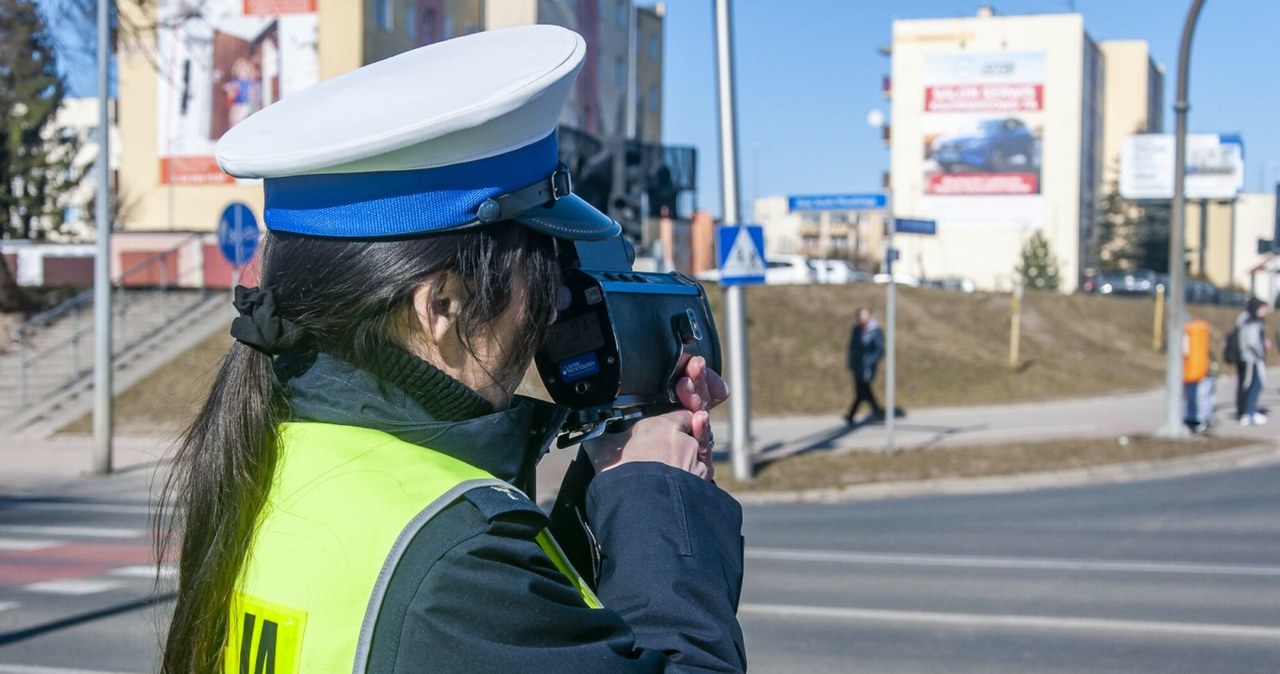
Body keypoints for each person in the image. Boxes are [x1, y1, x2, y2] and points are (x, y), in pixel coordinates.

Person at [159, 26, 746, 673]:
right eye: (541, 274)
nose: (552, 307)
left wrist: (607, 482)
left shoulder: (277, 457)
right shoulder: (453, 562)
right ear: (443, 306)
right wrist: (659, 500)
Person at [844, 307, 885, 424]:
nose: (863, 318)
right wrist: (850, 363)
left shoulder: (875, 331)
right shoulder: (856, 330)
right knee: (862, 391)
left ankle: (852, 415)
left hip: (868, 366)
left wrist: (870, 361)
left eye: (865, 315)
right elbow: (852, 348)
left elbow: (880, 349)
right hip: (857, 366)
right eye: (861, 316)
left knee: (863, 389)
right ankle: (877, 412)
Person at [1235, 296, 1269, 425]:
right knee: (1251, 386)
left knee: (1246, 385)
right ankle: (1247, 413)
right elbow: (1252, 341)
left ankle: (1247, 412)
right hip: (1251, 358)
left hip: (1245, 357)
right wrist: (1261, 350)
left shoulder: (1243, 318)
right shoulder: (1252, 320)